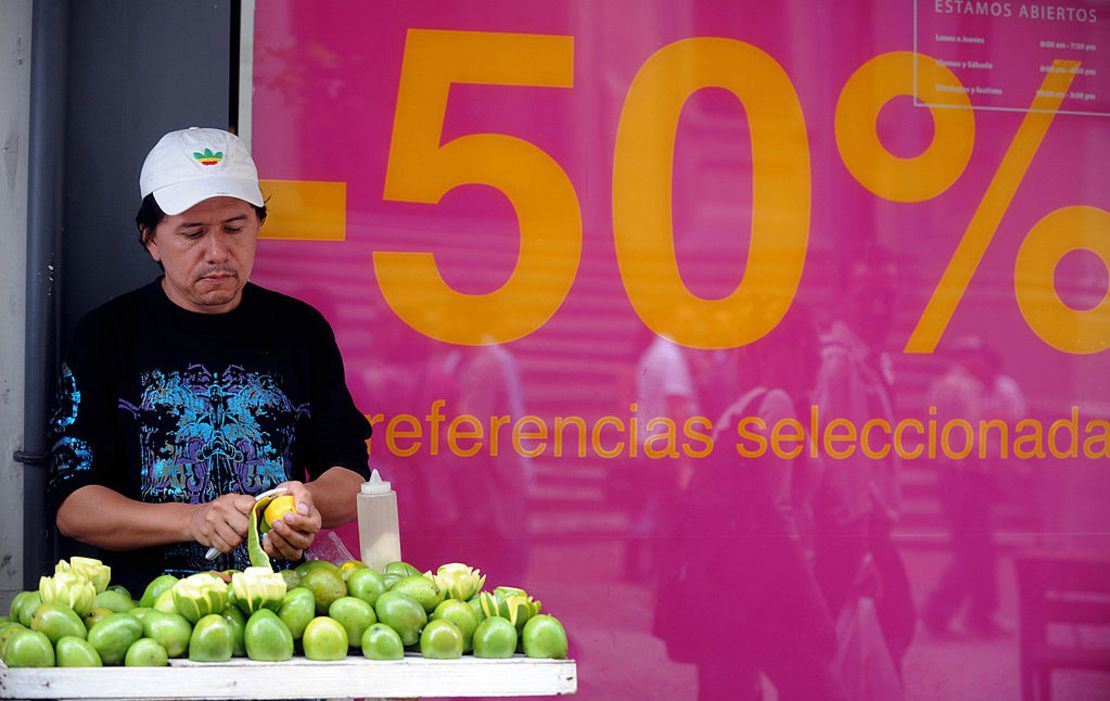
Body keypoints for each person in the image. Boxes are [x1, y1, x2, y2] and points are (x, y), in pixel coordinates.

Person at [47, 127, 372, 593]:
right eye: (193, 233)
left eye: (234, 228)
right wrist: (192, 520)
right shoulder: (107, 335)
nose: (217, 252)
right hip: (145, 619)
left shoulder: (301, 330)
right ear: (151, 239)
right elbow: (74, 506)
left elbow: (352, 478)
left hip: (282, 611)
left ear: (259, 224)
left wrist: (309, 501)